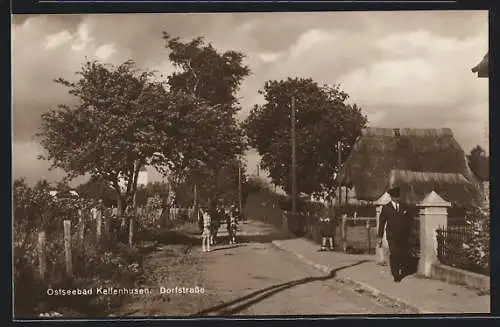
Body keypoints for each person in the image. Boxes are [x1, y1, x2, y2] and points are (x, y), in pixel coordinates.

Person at [377, 186, 413, 282]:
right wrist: (380, 237)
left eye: (398, 196)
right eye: (395, 196)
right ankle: (396, 274)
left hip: (403, 236)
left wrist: (409, 232)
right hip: (391, 236)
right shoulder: (386, 208)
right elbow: (382, 223)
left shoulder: (405, 206)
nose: (397, 198)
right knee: (394, 254)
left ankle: (400, 269)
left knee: (401, 254)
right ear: (391, 197)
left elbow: (410, 221)